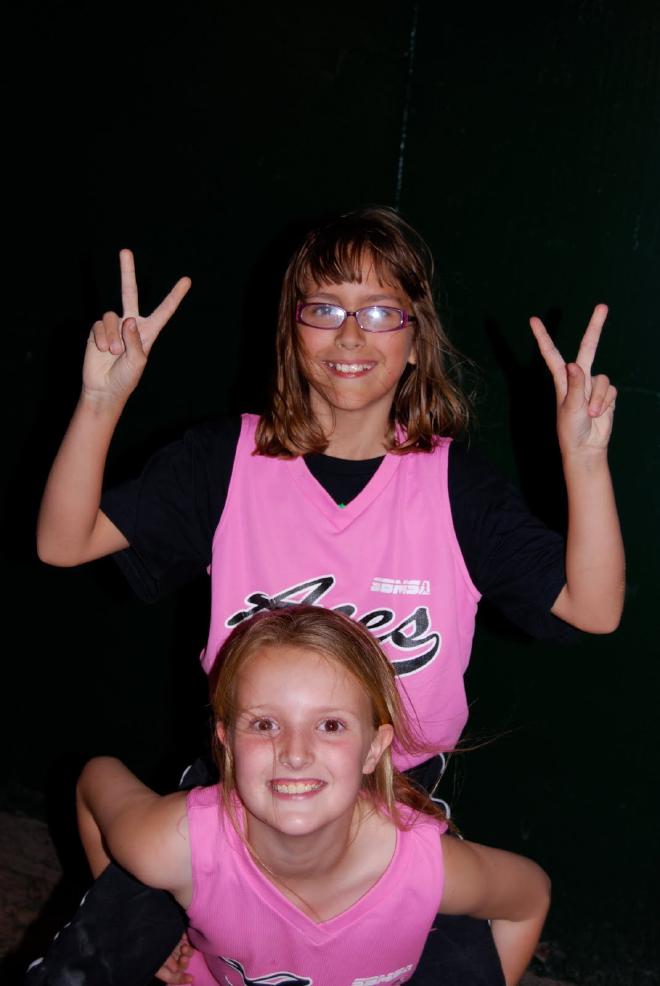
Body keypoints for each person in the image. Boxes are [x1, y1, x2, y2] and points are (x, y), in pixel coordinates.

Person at [33, 206, 624, 984]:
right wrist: (100, 400)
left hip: (395, 804)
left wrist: (585, 459)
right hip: (242, 782)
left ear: (415, 338)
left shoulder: (457, 488)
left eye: (380, 312)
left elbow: (594, 609)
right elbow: (63, 541)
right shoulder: (225, 460)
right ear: (293, 329)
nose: (350, 336)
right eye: (324, 309)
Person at [75, 605, 551, 986]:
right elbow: (95, 779)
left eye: (331, 725)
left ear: (373, 749)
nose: (296, 753)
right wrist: (140, 927)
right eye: (265, 724)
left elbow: (529, 900)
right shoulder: (177, 846)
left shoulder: (426, 869)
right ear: (227, 743)